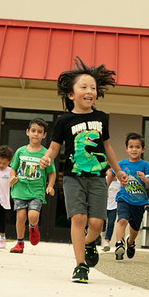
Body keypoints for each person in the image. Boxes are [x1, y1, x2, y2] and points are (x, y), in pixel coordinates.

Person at [39, 57, 128, 283]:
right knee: (78, 218)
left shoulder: (101, 118)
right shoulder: (64, 120)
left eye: (93, 88)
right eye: (84, 87)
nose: (90, 91)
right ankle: (80, 266)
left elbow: (107, 146)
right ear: (71, 94)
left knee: (97, 224)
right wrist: (46, 158)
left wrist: (117, 171)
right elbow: (54, 147)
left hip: (98, 178)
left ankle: (89, 244)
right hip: (72, 177)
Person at [8, 118, 56, 253]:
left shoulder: (46, 153)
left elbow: (52, 172)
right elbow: (13, 167)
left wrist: (50, 186)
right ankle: (20, 243)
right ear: (27, 132)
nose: (36, 134)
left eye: (39, 132)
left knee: (33, 215)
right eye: (33, 131)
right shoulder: (20, 151)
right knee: (20, 216)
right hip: (20, 188)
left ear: (44, 135)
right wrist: (12, 177)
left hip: (37, 190)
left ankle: (33, 227)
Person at [109, 132, 149, 261]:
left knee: (134, 229)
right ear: (126, 148)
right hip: (124, 198)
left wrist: (144, 178)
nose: (134, 150)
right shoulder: (121, 164)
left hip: (139, 202)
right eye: (131, 147)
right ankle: (119, 244)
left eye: (137, 147)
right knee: (122, 220)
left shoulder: (145, 166)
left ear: (143, 149)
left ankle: (130, 242)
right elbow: (111, 174)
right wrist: (105, 189)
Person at [103, 177, 120, 252]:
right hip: (103, 206)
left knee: (110, 223)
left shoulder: (119, 182)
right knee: (100, 223)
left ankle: (107, 241)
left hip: (114, 206)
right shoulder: (105, 179)